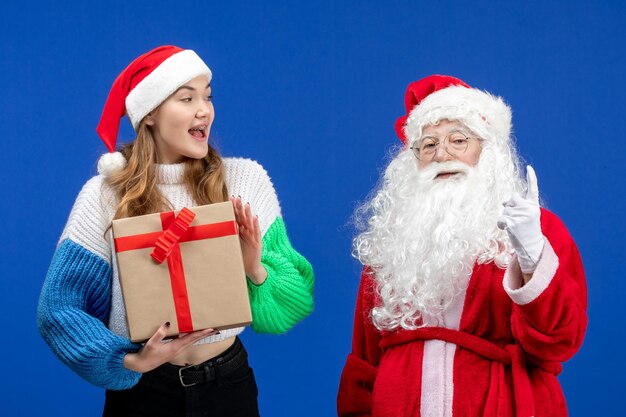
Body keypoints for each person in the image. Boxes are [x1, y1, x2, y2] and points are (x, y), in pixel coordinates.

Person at [37, 45, 314, 417]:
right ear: (149, 114)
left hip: (228, 387)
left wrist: (254, 268)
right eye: (187, 98)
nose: (205, 109)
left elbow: (294, 303)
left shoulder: (244, 181)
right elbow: (58, 310)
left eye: (208, 96)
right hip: (145, 395)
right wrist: (130, 362)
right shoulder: (105, 195)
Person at [337, 75, 587, 417]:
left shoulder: (534, 229)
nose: (442, 154)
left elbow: (560, 340)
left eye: (458, 140)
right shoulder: (393, 241)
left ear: (487, 152)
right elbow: (364, 364)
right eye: (428, 145)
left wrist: (532, 258)